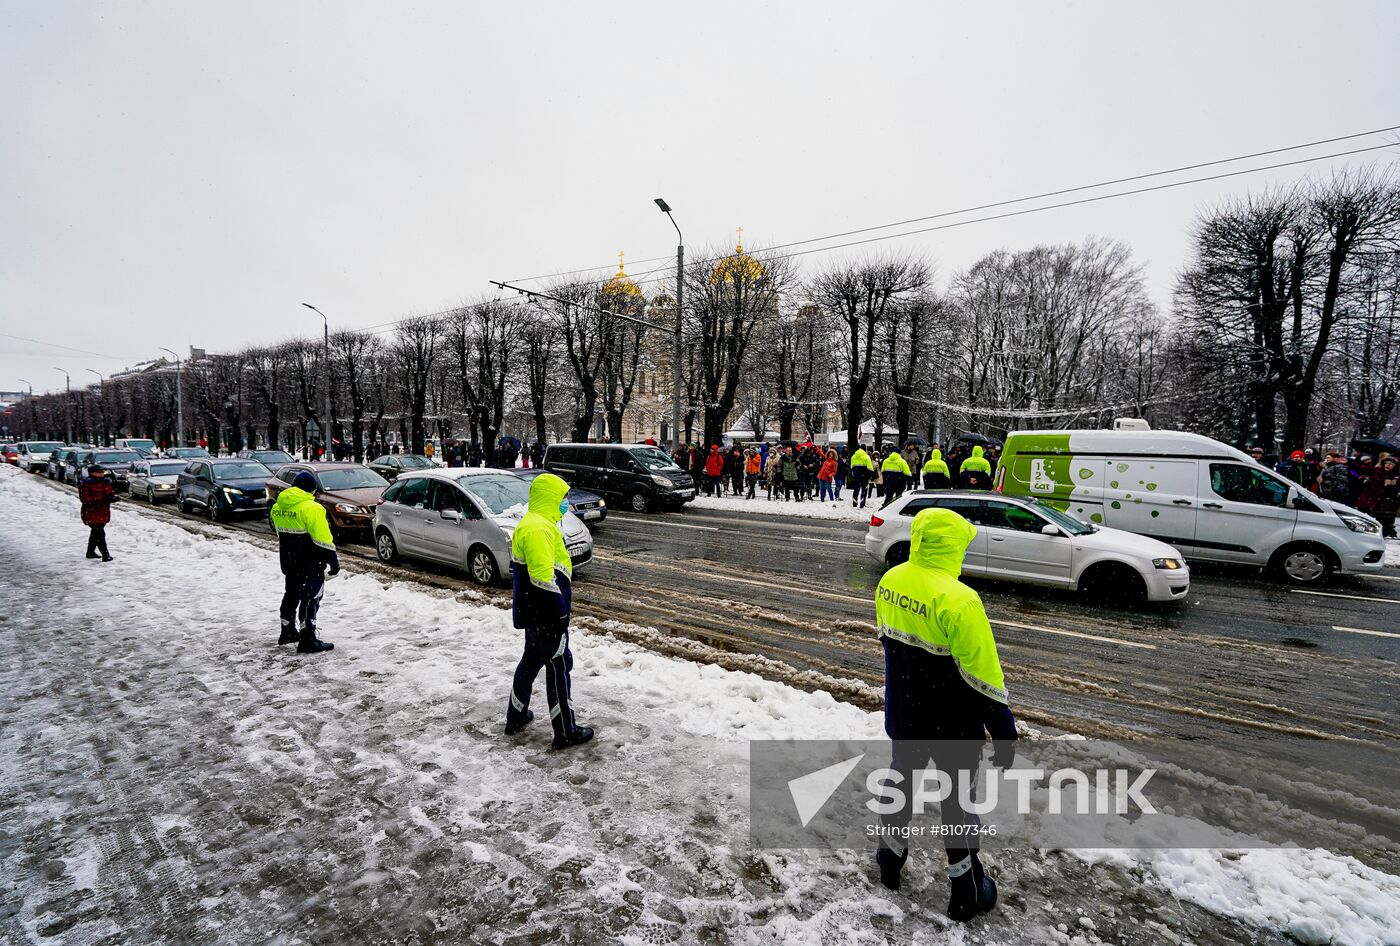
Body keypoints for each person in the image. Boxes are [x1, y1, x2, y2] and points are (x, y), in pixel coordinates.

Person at [873, 507, 1016, 921]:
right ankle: (966, 889)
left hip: (906, 713)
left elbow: (889, 642)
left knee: (900, 785)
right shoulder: (959, 599)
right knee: (957, 803)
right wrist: (1003, 732)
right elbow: (983, 673)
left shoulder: (891, 580)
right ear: (952, 547)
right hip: (953, 722)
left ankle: (889, 860)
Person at [504, 472, 594, 749]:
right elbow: (543, 577)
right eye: (563, 497)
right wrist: (559, 612)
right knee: (558, 667)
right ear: (550, 498)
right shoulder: (539, 529)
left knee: (530, 663)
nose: (566, 502)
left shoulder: (534, 523)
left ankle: (516, 716)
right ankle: (566, 731)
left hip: (534, 612)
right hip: (546, 613)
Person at [269, 471, 338, 654]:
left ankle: (287, 631)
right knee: (311, 598)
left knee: (291, 594)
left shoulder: (278, 506)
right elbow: (323, 539)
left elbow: (280, 533)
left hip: (289, 560)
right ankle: (308, 638)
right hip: (309, 562)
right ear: (311, 489)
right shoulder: (312, 508)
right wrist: (334, 562)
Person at [79, 464, 116, 562]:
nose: (101, 474)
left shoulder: (105, 482)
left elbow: (109, 494)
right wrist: (103, 499)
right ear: (91, 473)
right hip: (91, 512)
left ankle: (90, 552)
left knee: (95, 533)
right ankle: (105, 555)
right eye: (98, 472)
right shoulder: (86, 484)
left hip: (103, 512)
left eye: (102, 472)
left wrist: (112, 498)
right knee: (100, 533)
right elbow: (86, 499)